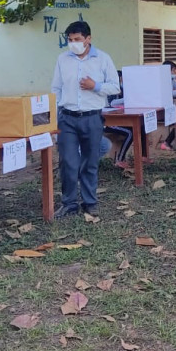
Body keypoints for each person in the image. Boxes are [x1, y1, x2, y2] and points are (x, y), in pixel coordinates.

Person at [51, 21, 120, 218]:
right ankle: (69, 203)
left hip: (92, 118)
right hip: (67, 118)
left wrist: (95, 86)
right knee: (68, 162)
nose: (73, 43)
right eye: (70, 40)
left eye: (77, 39)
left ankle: (90, 202)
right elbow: (56, 88)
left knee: (90, 162)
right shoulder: (62, 59)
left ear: (88, 39)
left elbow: (115, 87)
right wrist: (54, 116)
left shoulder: (102, 59)